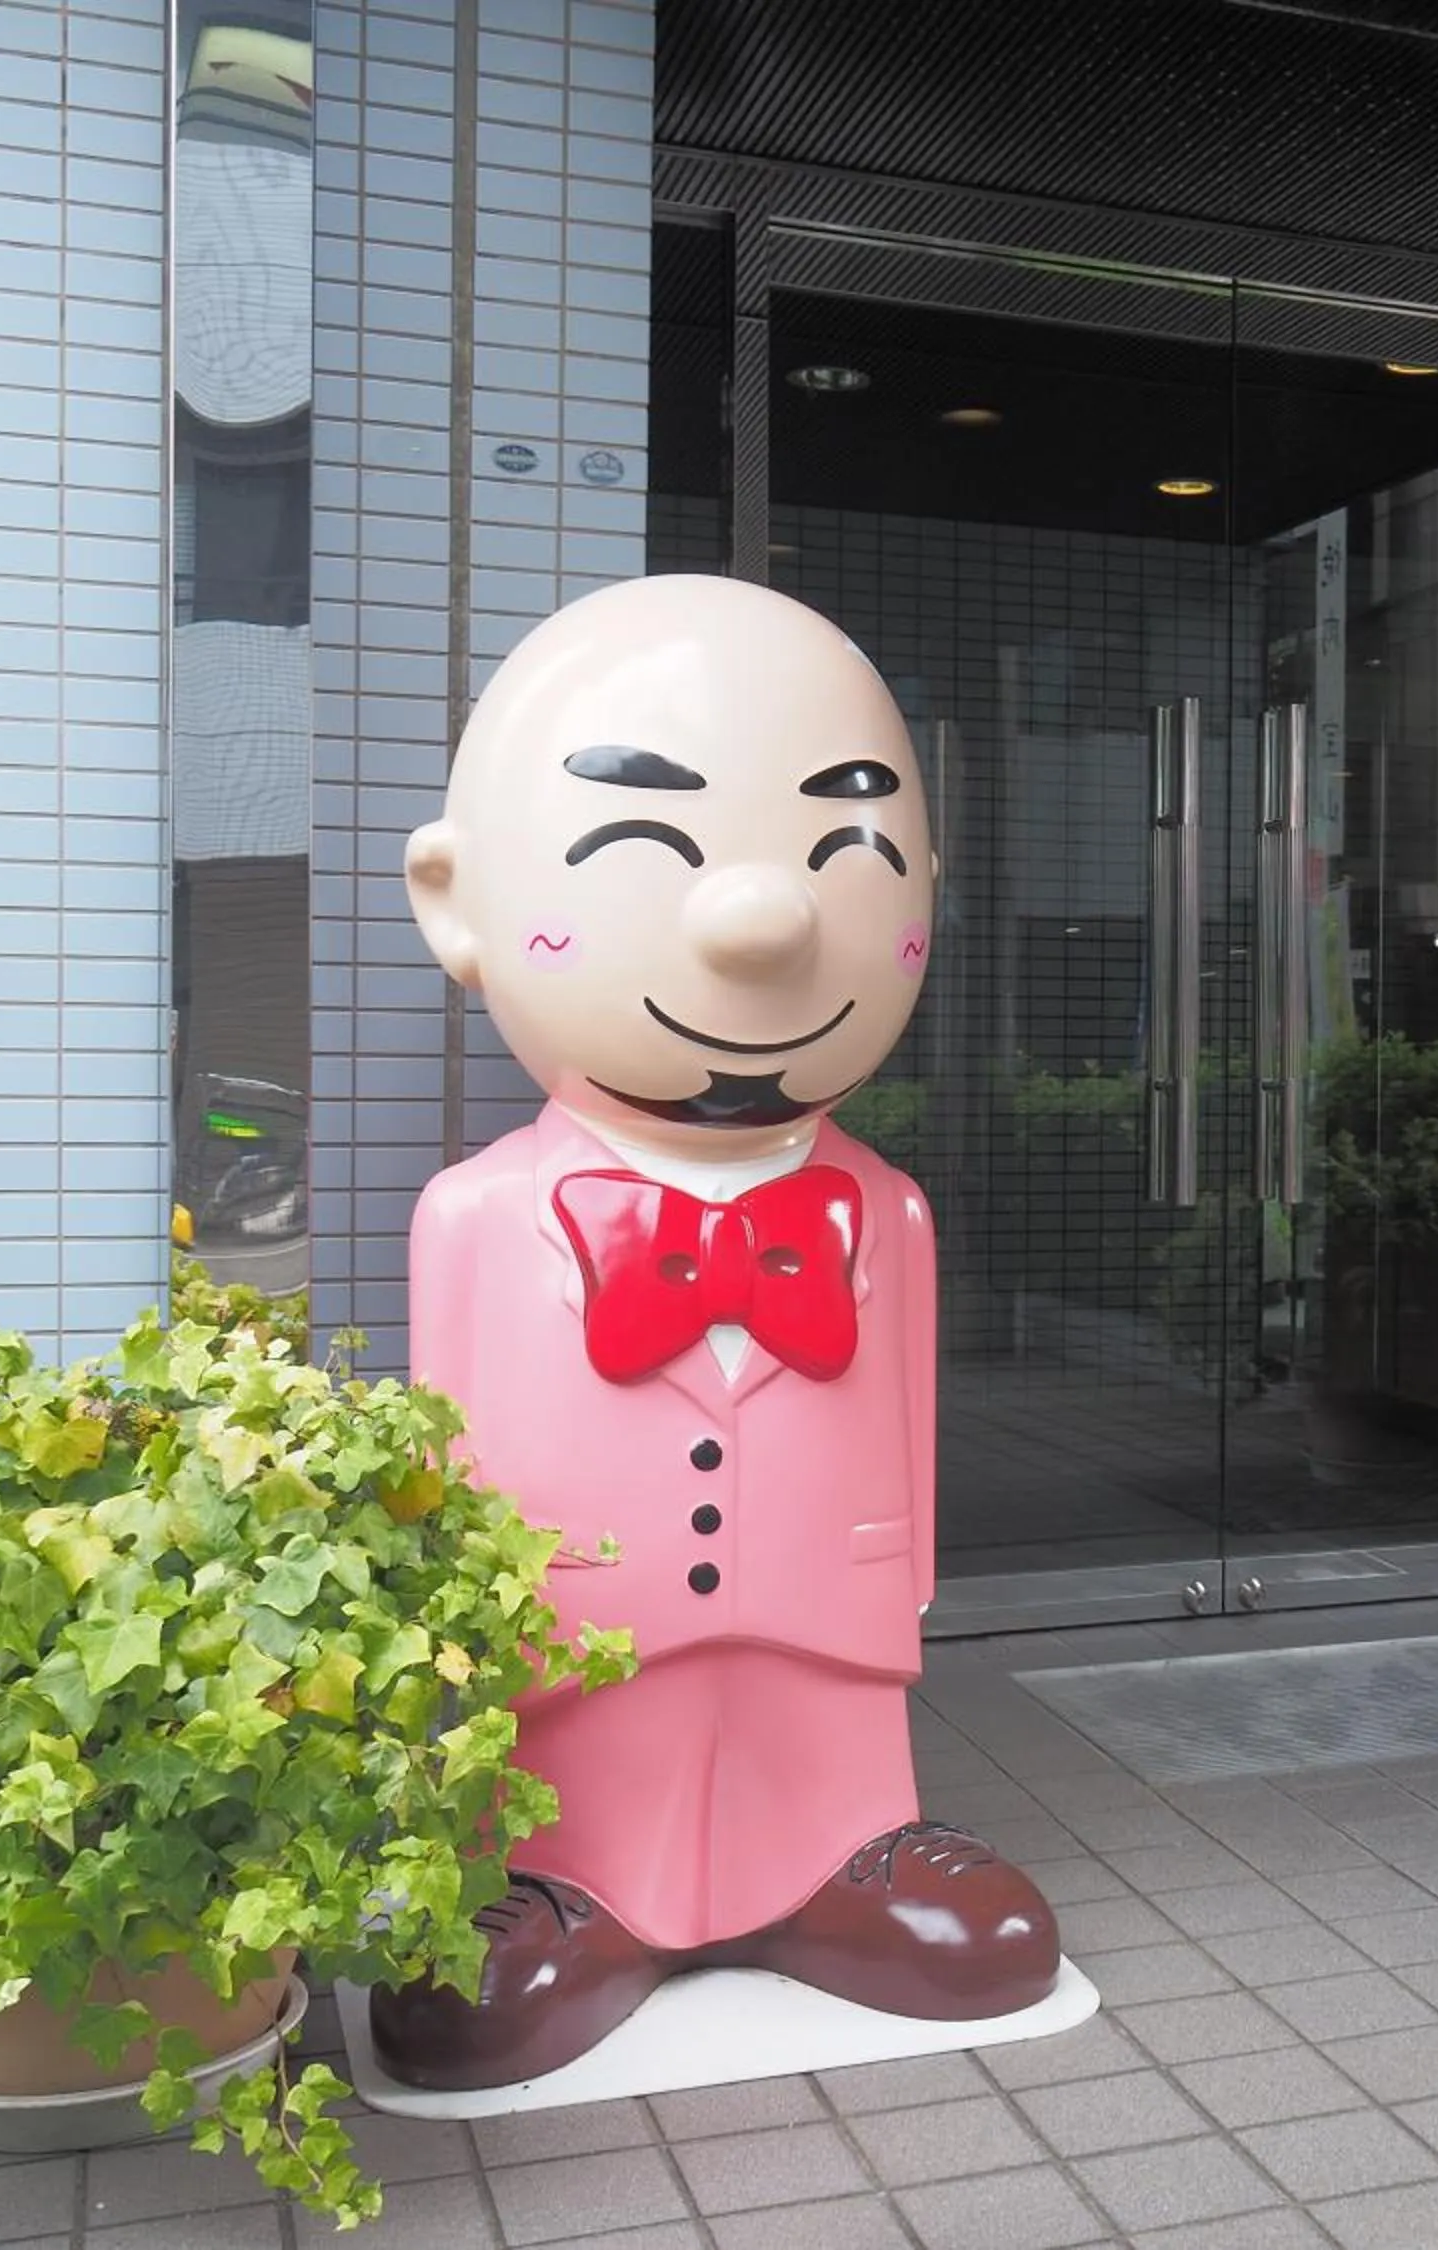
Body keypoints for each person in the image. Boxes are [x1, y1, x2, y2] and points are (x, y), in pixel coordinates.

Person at [370, 576, 1059, 2089]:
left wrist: (904, 1578)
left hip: (832, 1619)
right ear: (454, 901)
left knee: (847, 1769)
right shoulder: (474, 1218)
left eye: (851, 853)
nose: (764, 917)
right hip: (569, 1644)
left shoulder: (888, 1212)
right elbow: (438, 1476)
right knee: (554, 1819)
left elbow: (910, 1434)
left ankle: (847, 1856)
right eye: (641, 845)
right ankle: (561, 1879)